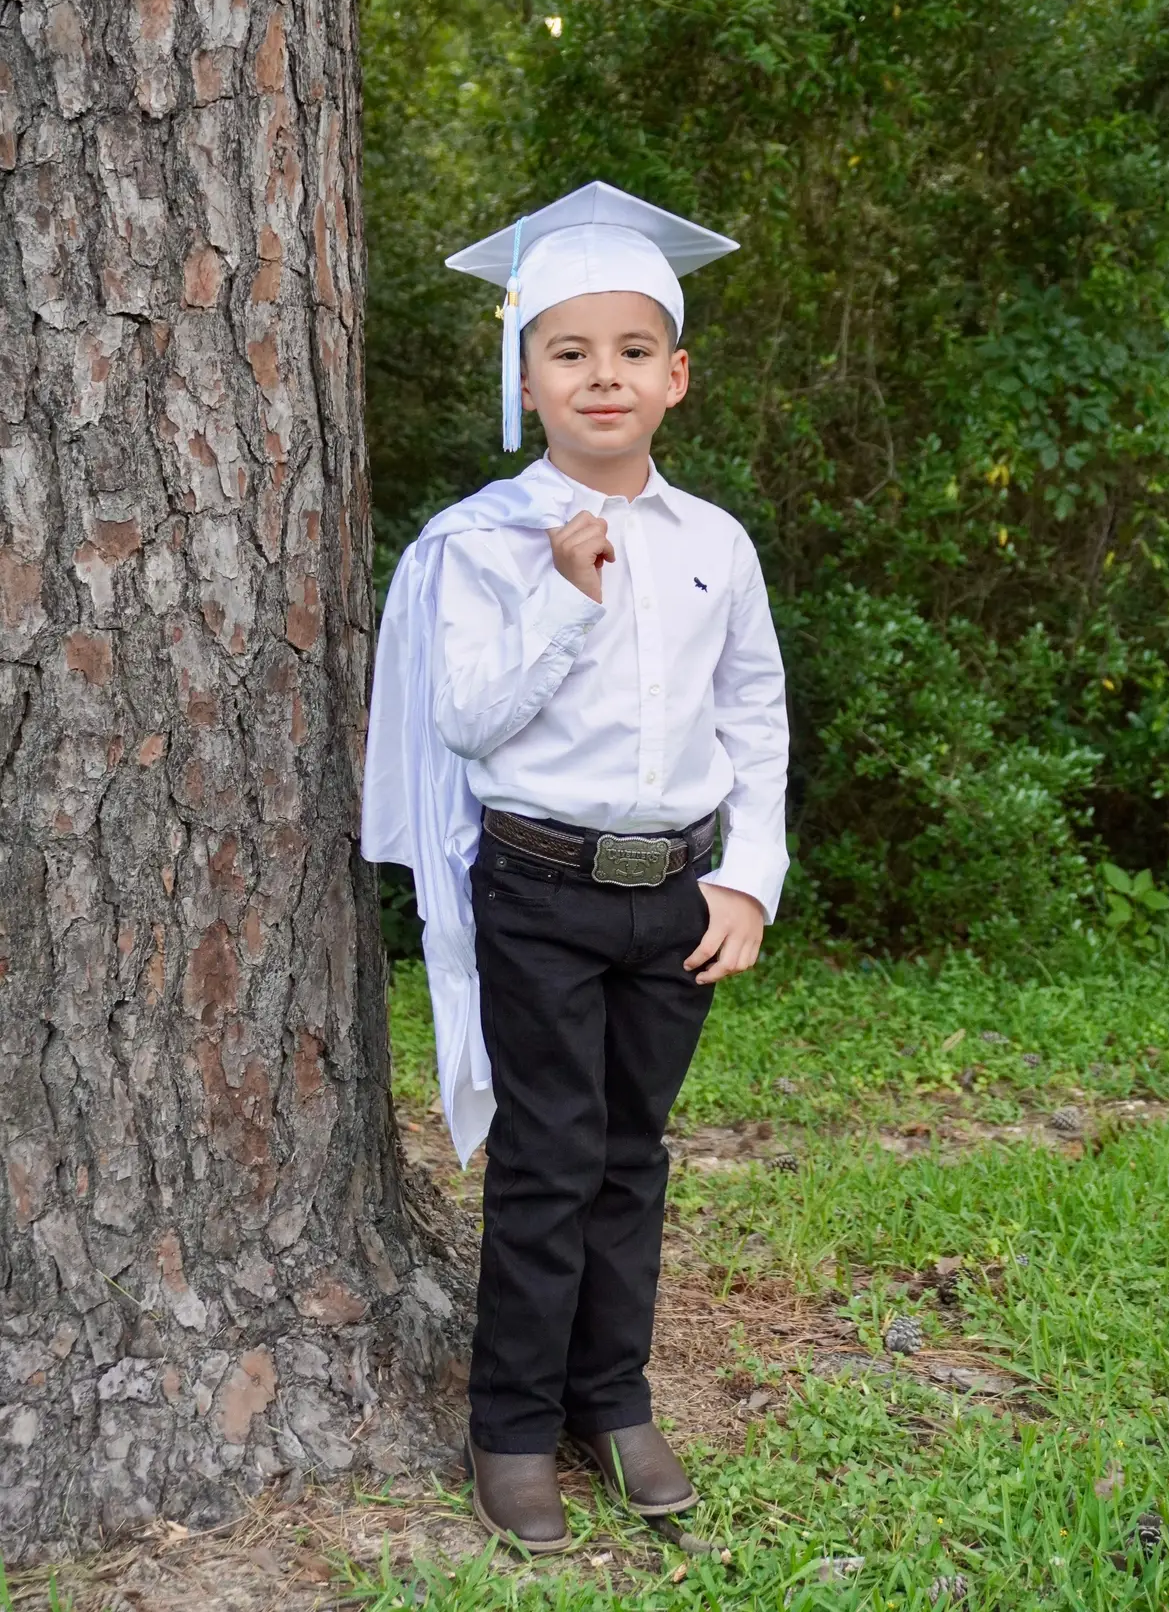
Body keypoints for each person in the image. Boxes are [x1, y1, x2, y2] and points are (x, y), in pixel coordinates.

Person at [361, 182, 789, 1552]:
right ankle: (511, 1427)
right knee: (550, 1162)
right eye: (568, 352)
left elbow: (756, 716)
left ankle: (614, 1400)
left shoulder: (717, 544)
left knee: (632, 1159)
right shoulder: (485, 546)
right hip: (541, 891)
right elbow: (462, 721)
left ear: (676, 377)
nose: (600, 376)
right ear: (526, 377)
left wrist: (751, 875)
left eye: (628, 353)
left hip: (678, 891)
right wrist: (563, 596)